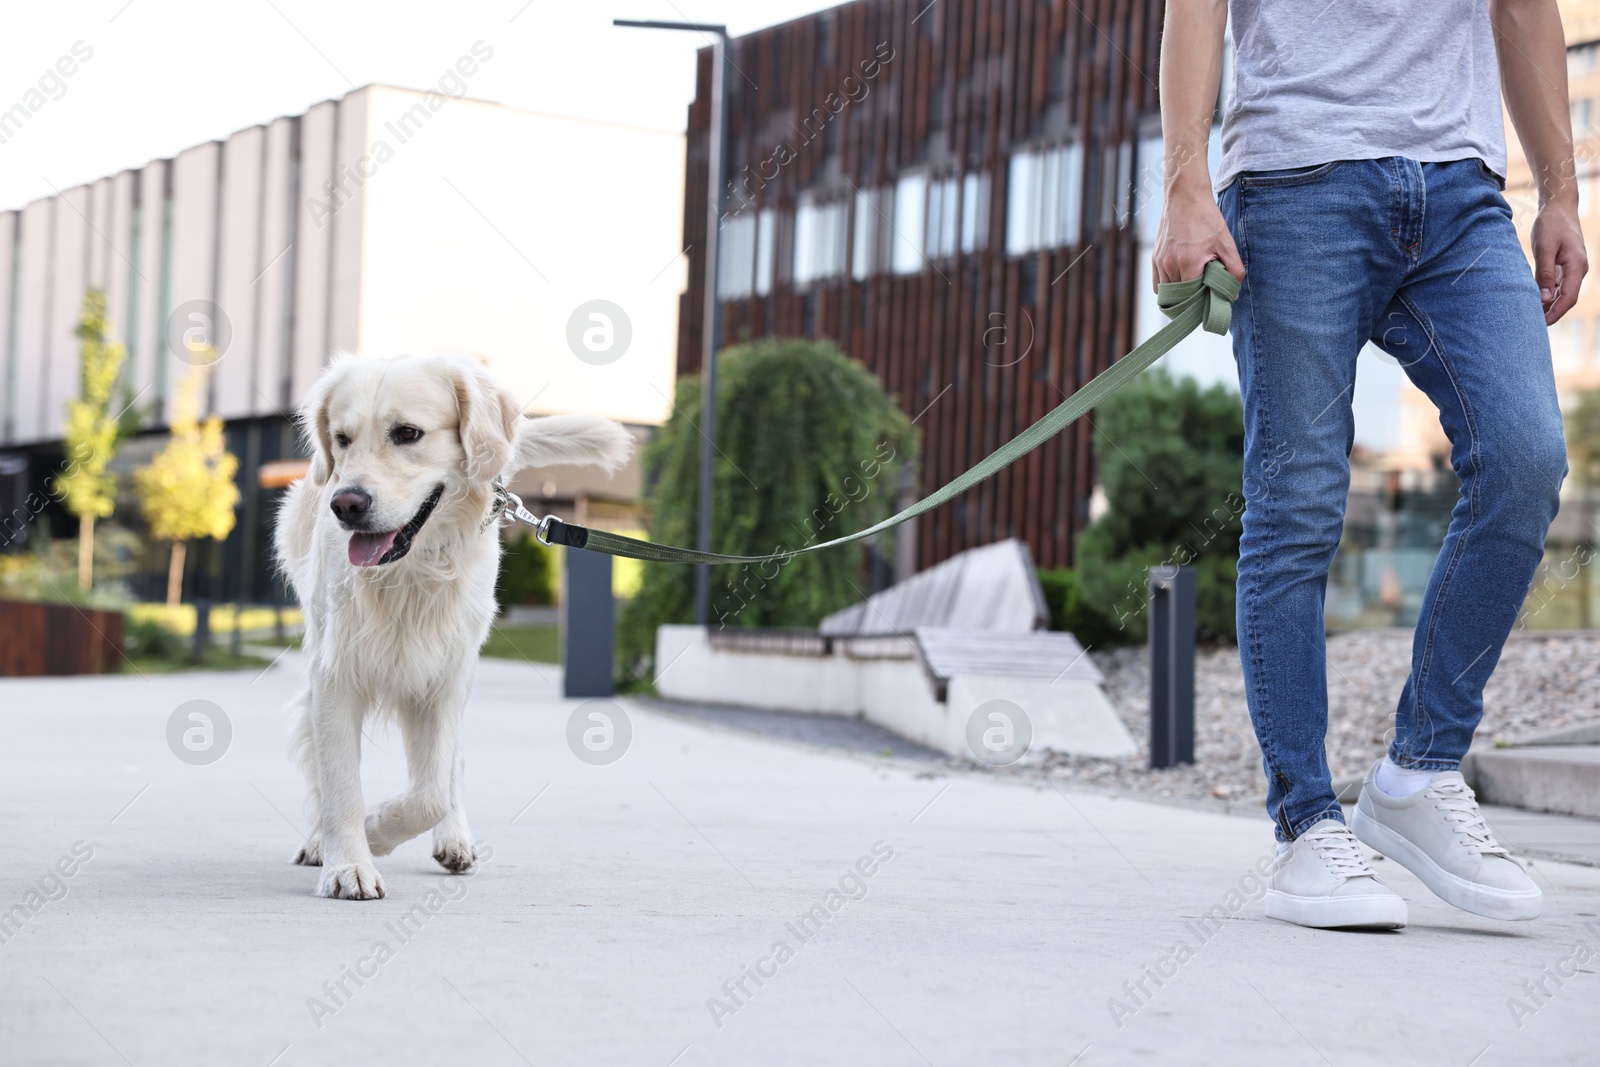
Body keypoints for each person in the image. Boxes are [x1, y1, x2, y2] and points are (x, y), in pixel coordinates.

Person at [1154, 0, 1584, 928]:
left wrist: (1561, 191)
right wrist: (1186, 185)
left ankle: (1419, 772)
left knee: (1524, 457)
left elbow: (1522, 7)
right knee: (1299, 500)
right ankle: (1306, 823)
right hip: (1293, 177)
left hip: (1462, 191)